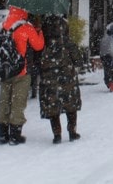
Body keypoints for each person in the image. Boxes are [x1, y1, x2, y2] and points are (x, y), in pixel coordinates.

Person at [0, 6, 44, 145]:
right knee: (18, 103)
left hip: (4, 71)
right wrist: (39, 32)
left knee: (4, 102)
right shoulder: (26, 27)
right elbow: (38, 46)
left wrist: (2, 64)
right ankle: (15, 134)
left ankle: (2, 133)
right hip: (21, 71)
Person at [39, 16, 82, 144]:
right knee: (70, 106)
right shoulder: (68, 43)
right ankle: (72, 132)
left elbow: (38, 62)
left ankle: (57, 134)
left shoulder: (44, 43)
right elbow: (78, 60)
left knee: (53, 106)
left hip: (49, 80)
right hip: (67, 79)